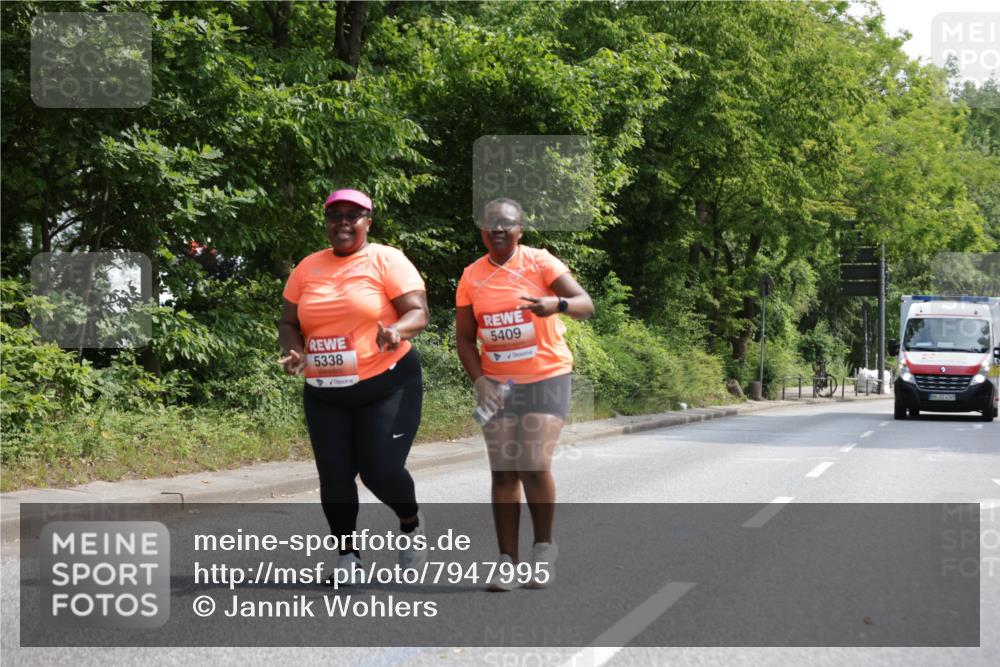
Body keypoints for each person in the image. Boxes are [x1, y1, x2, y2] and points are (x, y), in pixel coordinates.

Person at [278, 188, 429, 582]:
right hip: (325, 391)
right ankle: (348, 557)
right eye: (335, 215)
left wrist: (395, 330)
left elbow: (418, 311)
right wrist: (296, 352)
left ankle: (410, 524)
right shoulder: (307, 268)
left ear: (367, 223)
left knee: (380, 470)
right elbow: (288, 322)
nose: (342, 222)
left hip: (387, 382)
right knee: (335, 474)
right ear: (327, 223)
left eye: (353, 215)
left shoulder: (386, 259)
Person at [455, 198, 594, 591]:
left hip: (547, 375)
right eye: (490, 224)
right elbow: (465, 339)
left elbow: (586, 305)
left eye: (506, 224)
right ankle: (506, 562)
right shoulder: (471, 276)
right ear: (482, 230)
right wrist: (480, 380)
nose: (498, 230)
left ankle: (543, 547)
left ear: (520, 230)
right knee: (503, 472)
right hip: (497, 383)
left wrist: (558, 304)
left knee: (531, 464)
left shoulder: (540, 263)